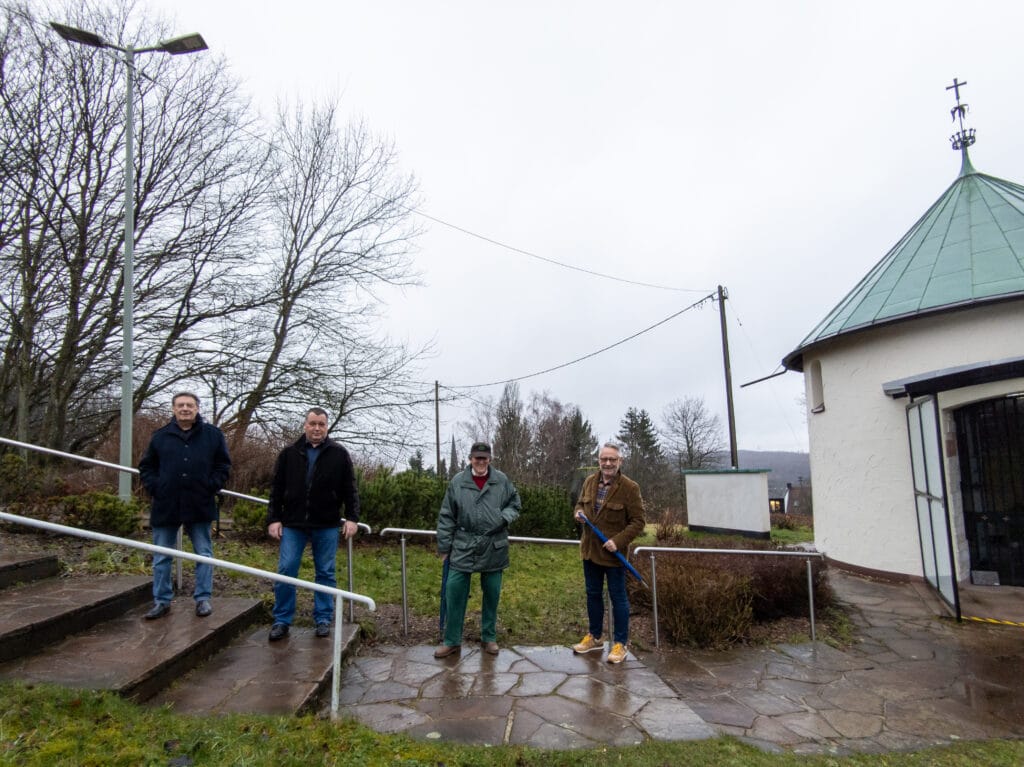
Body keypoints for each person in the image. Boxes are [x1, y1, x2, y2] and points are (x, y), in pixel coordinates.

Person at [265, 408, 360, 641]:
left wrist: (352, 518)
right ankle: (282, 619)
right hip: (293, 523)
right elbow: (276, 488)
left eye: (322, 424)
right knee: (287, 570)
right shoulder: (289, 453)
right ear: (305, 425)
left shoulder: (339, 454)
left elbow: (350, 489)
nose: (317, 428)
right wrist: (273, 518)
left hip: (326, 523)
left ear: (327, 427)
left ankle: (323, 618)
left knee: (325, 573)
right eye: (313, 424)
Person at [138, 391, 231, 620]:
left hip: (199, 503)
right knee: (162, 556)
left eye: (190, 405)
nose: (185, 409)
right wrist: (157, 487)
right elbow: (147, 467)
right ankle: (161, 601)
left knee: (203, 553)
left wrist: (211, 485)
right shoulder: (160, 437)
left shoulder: (213, 435)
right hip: (166, 504)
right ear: (173, 409)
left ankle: (203, 599)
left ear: (197, 408)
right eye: (180, 405)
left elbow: (223, 466)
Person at [434, 441, 521, 657]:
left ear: (490, 459)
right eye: (476, 458)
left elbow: (515, 504)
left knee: (492, 593)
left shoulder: (501, 480)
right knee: (454, 592)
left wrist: (504, 518)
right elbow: (446, 515)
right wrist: (444, 547)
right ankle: (452, 640)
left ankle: (488, 638)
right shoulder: (458, 481)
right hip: (463, 543)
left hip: (494, 544)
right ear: (470, 459)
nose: (480, 462)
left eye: (484, 458)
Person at [572, 442, 645, 663]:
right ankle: (595, 637)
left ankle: (620, 644)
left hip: (614, 555)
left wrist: (618, 541)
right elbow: (579, 505)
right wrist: (578, 513)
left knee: (618, 598)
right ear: (599, 461)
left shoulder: (630, 488)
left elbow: (639, 521)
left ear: (620, 461)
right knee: (593, 595)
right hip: (590, 552)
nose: (608, 463)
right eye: (604, 459)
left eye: (612, 459)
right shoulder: (589, 482)